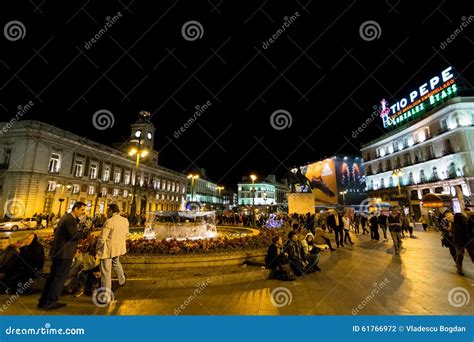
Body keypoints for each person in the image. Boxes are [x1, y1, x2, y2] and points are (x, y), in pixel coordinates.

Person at [38, 201, 90, 311]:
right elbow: (74, 235)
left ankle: (43, 301)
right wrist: (86, 232)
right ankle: (51, 302)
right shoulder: (70, 219)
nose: (83, 213)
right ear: (75, 209)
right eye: (82, 210)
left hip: (59, 252)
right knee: (59, 278)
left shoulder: (65, 217)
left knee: (53, 277)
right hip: (64, 254)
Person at [96, 204, 129, 304]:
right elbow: (127, 235)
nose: (106, 212)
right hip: (118, 248)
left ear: (111, 211)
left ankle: (106, 297)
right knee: (116, 262)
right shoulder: (125, 220)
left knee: (106, 272)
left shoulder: (109, 221)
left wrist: (96, 248)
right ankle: (122, 280)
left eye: (107, 210)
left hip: (108, 250)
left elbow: (102, 238)